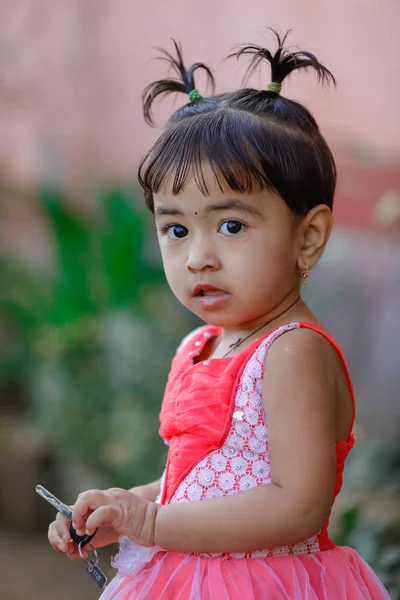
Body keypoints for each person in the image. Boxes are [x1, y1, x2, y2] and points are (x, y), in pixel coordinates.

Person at [48, 30, 390, 599]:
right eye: (176, 229)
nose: (199, 257)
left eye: (231, 225)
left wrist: (151, 524)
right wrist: (124, 508)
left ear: (308, 237)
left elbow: (296, 505)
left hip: (264, 583)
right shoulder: (201, 346)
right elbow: (191, 484)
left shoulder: (292, 351)